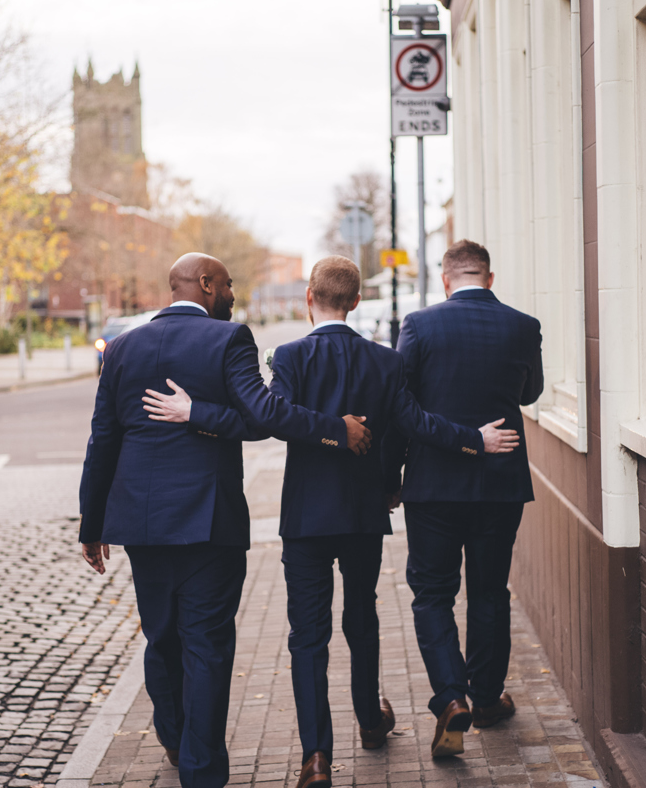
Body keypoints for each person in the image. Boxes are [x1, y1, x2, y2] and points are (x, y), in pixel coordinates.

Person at [143, 256, 520, 787]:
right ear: (358, 300)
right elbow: (415, 424)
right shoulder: (385, 362)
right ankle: (369, 719)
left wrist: (198, 413)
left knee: (308, 637)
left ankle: (316, 756)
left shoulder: (292, 358)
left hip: (306, 520)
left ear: (308, 298)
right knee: (362, 620)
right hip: (364, 516)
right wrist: (475, 439)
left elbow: (268, 418)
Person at [77, 253, 373, 788]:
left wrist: (91, 525)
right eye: (229, 284)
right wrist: (336, 429)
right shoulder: (228, 340)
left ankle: (172, 732)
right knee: (207, 647)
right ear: (206, 284)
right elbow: (264, 417)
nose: (233, 294)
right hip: (208, 523)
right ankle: (201, 770)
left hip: (140, 525)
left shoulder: (121, 349)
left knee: (162, 638)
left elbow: (104, 439)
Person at [383, 240, 544, 758]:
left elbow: (400, 407)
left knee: (432, 594)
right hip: (500, 483)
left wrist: (393, 474)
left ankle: (452, 698)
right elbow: (530, 393)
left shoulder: (420, 326)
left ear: (446, 279)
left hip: (434, 485)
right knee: (490, 592)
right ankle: (489, 698)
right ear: (489, 278)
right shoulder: (523, 325)